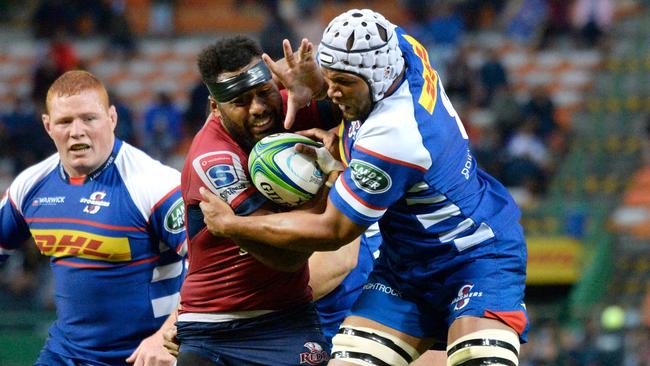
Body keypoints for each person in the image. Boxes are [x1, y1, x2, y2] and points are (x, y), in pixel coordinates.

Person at [198, 9, 529, 366]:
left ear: (376, 76)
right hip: (404, 267)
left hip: (474, 255)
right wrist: (316, 85)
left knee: (478, 360)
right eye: (331, 77)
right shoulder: (399, 46)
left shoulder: (396, 136)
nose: (333, 93)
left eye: (343, 82)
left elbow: (332, 230)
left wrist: (234, 226)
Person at [175, 35, 372, 366]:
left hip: (288, 318)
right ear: (215, 107)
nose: (259, 109)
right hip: (214, 327)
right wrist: (327, 177)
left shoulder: (287, 105)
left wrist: (321, 88)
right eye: (240, 101)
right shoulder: (213, 159)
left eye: (263, 92)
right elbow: (286, 256)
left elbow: (369, 106)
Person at [0, 70, 186, 366]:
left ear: (112, 118)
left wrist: (168, 336)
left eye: (89, 118)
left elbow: (211, 269)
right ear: (48, 126)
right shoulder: (30, 186)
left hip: (145, 356)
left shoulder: (157, 185)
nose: (77, 131)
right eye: (65, 121)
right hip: (64, 355)